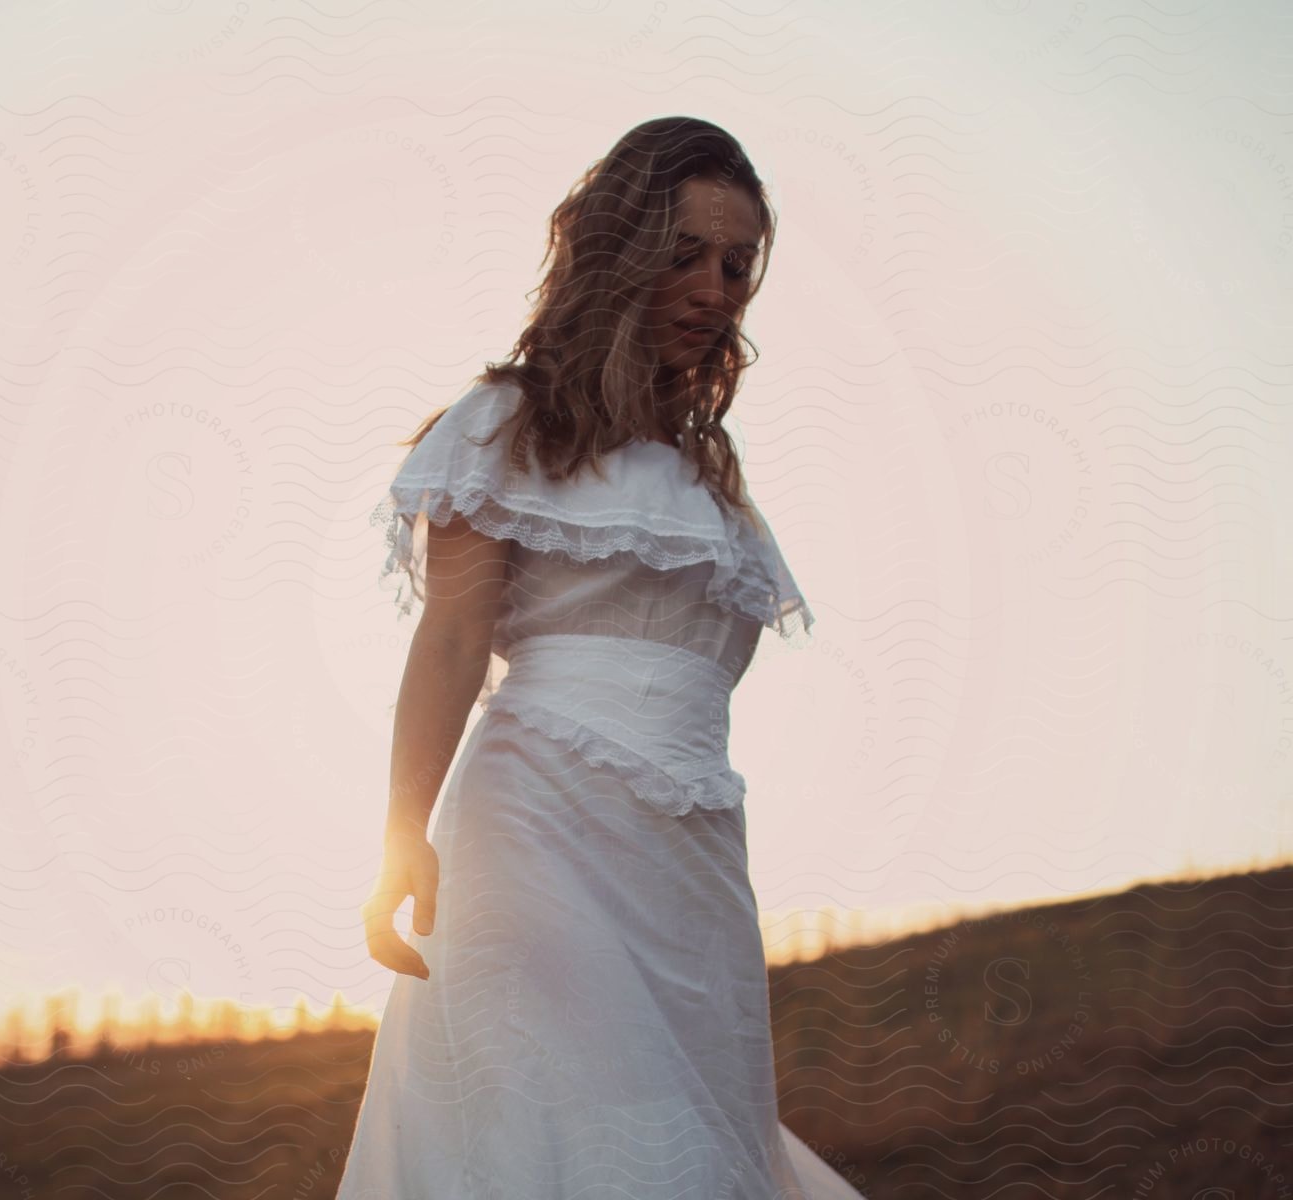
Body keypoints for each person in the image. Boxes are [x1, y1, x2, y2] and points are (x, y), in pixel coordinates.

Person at [337, 117, 868, 1199]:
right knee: (583, 1132)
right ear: (616, 252)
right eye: (683, 253)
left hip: (694, 864)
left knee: (705, 1137)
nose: (715, 287)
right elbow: (449, 641)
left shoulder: (712, 484)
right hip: (535, 828)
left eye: (736, 261)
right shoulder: (505, 425)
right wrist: (400, 834)